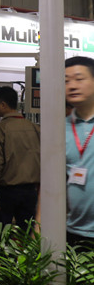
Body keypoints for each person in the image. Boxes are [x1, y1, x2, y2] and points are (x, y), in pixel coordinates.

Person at [0, 86, 40, 229]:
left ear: (3, 105)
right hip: (30, 191)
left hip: (6, 191)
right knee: (26, 233)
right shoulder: (35, 128)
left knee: (2, 233)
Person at [64, 56, 94, 247]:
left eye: (79, 79)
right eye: (66, 81)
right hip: (73, 232)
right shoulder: (59, 129)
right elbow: (50, 184)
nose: (72, 86)